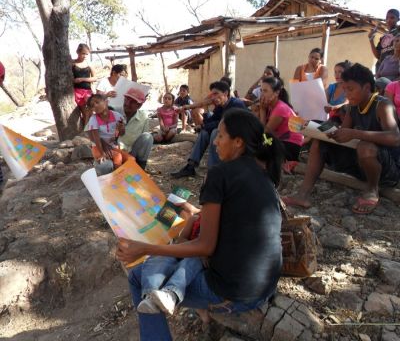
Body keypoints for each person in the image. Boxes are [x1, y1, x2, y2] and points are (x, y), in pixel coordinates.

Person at [116, 108, 284, 341]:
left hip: (236, 292)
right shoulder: (263, 174)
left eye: (221, 136)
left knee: (137, 277)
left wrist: (144, 248)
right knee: (180, 263)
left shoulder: (219, 174)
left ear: (238, 142)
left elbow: (204, 246)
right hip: (266, 286)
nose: (215, 141)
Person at [283, 63, 400, 215]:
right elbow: (345, 133)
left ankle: (372, 190)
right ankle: (303, 195)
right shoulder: (353, 107)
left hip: (388, 170)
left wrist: (354, 134)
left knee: (365, 146)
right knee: (320, 142)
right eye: (345, 90)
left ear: (366, 87)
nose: (347, 94)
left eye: (350, 89)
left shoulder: (383, 105)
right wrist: (326, 132)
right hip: (361, 164)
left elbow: (395, 138)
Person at [171, 81, 246, 178]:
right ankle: (190, 166)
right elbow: (210, 121)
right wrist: (205, 109)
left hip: (239, 138)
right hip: (228, 135)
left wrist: (204, 126)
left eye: (216, 94)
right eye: (212, 94)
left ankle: (213, 171)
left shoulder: (236, 104)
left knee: (215, 132)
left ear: (225, 93)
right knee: (205, 133)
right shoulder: (220, 106)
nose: (213, 97)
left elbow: (223, 125)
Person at [259, 77, 303, 162]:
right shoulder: (271, 107)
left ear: (276, 93)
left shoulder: (280, 108)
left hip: (290, 147)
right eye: (261, 90)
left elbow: (264, 134)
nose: (262, 94)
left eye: (265, 91)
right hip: (280, 142)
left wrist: (262, 111)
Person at [86, 94, 128, 169]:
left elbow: (122, 133)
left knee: (130, 158)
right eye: (92, 105)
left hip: (112, 146)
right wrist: (102, 154)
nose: (95, 106)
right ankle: (117, 174)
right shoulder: (93, 119)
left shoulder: (117, 116)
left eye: (97, 102)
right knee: (117, 157)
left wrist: (121, 129)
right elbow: (96, 139)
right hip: (98, 148)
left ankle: (118, 171)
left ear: (106, 102)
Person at [118, 87, 153, 170]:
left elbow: (144, 142)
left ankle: (141, 168)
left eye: (132, 102)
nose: (127, 103)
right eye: (126, 99)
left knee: (148, 137)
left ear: (139, 105)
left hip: (132, 154)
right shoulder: (114, 113)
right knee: (105, 167)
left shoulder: (143, 117)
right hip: (115, 153)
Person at [72, 43, 97, 125]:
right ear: (78, 52)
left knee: (91, 109)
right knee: (84, 112)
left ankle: (91, 127)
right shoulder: (72, 63)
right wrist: (74, 80)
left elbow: (95, 78)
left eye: (87, 54)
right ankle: (87, 128)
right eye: (83, 53)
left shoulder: (89, 64)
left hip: (87, 91)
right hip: (76, 91)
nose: (85, 56)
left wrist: (83, 79)